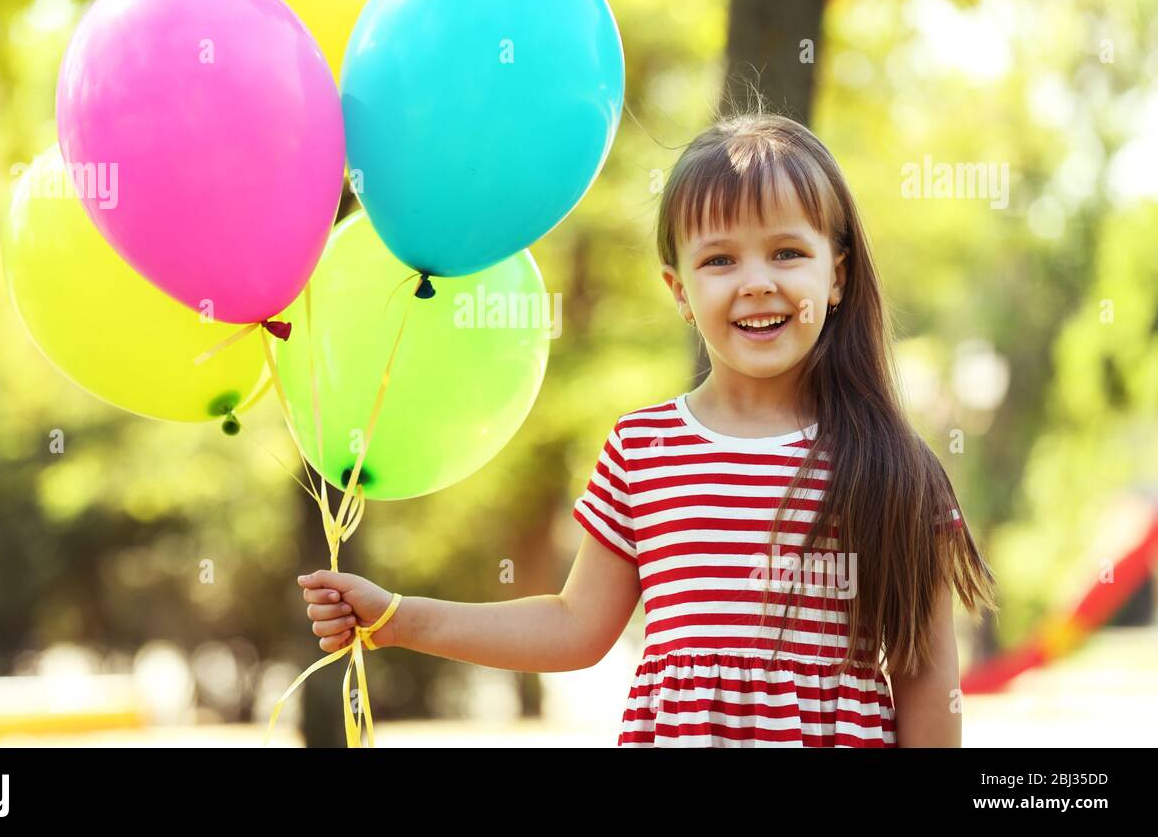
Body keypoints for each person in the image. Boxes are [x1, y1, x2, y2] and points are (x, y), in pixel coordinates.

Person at [297, 110, 998, 747]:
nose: (755, 282)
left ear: (836, 276)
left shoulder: (893, 466)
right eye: (720, 259)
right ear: (679, 291)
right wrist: (398, 617)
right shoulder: (645, 450)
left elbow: (929, 679)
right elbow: (575, 627)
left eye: (787, 253)